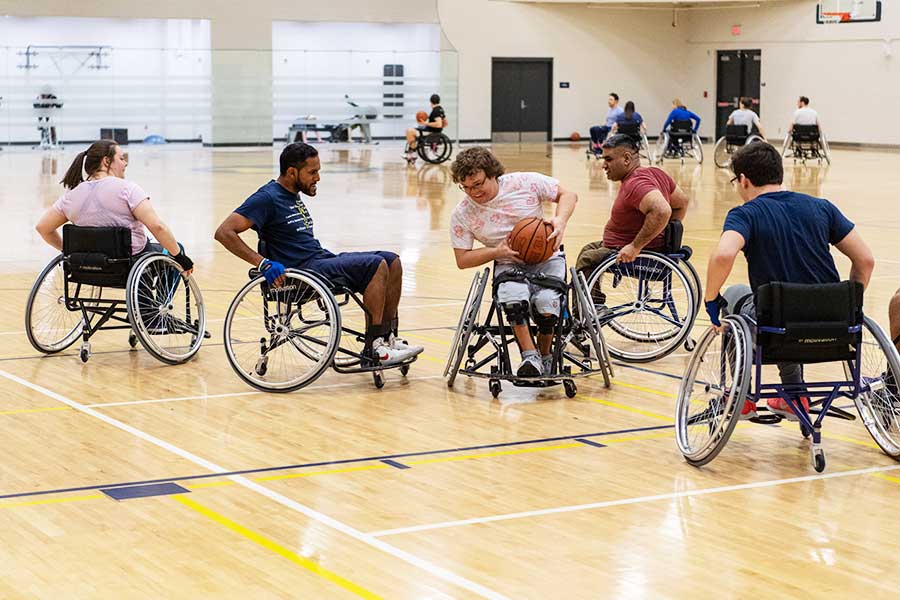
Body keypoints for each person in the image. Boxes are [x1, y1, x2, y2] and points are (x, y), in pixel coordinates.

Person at [703, 142, 875, 421]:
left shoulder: (745, 214)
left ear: (744, 180)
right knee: (784, 305)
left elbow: (723, 254)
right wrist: (849, 306)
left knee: (737, 295)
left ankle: (742, 395)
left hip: (778, 325)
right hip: (834, 325)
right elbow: (865, 260)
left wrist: (711, 299)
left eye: (736, 181)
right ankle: (795, 394)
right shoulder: (821, 207)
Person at [215, 142, 422, 365]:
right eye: (312, 172)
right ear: (292, 172)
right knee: (375, 265)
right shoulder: (267, 197)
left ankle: (387, 337)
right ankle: (375, 348)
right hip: (302, 271)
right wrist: (263, 263)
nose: (318, 178)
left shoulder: (291, 194)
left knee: (393, 261)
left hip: (320, 260)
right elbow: (224, 232)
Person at [449, 147, 577, 378]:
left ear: (493, 174)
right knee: (514, 300)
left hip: (546, 257)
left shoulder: (525, 182)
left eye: (478, 184)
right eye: (465, 187)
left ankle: (546, 356)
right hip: (508, 264)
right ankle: (530, 357)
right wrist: (496, 251)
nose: (472, 192)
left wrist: (560, 220)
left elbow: (568, 195)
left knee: (547, 303)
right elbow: (462, 259)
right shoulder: (462, 213)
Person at [34, 139, 194, 272]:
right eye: (122, 158)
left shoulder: (71, 196)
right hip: (130, 263)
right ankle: (156, 307)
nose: (126, 163)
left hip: (90, 265)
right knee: (176, 249)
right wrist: (180, 257)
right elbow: (158, 227)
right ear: (106, 161)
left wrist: (69, 251)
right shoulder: (127, 189)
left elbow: (43, 227)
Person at [575, 134, 690, 282]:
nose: (603, 165)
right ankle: (592, 302)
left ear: (627, 159)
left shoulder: (636, 184)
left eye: (608, 159)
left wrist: (636, 246)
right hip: (628, 246)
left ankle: (593, 304)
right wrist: (662, 232)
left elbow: (662, 210)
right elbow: (682, 202)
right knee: (588, 249)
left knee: (587, 259)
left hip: (641, 255)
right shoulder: (655, 173)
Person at [405, 93, 446, 164]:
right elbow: (445, 123)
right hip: (433, 132)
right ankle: (413, 151)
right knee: (413, 130)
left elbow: (439, 124)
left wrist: (426, 123)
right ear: (439, 101)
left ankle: (413, 153)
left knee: (409, 131)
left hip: (431, 133)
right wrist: (439, 130)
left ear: (431, 101)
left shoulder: (435, 111)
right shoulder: (441, 110)